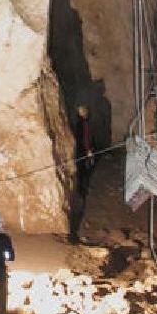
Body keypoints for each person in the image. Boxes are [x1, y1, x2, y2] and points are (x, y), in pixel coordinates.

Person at [69, 104, 96, 242]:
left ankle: (80, 188)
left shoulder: (76, 123)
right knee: (84, 173)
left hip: (77, 152)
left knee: (81, 172)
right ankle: (82, 191)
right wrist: (89, 151)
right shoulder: (84, 124)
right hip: (83, 152)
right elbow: (86, 138)